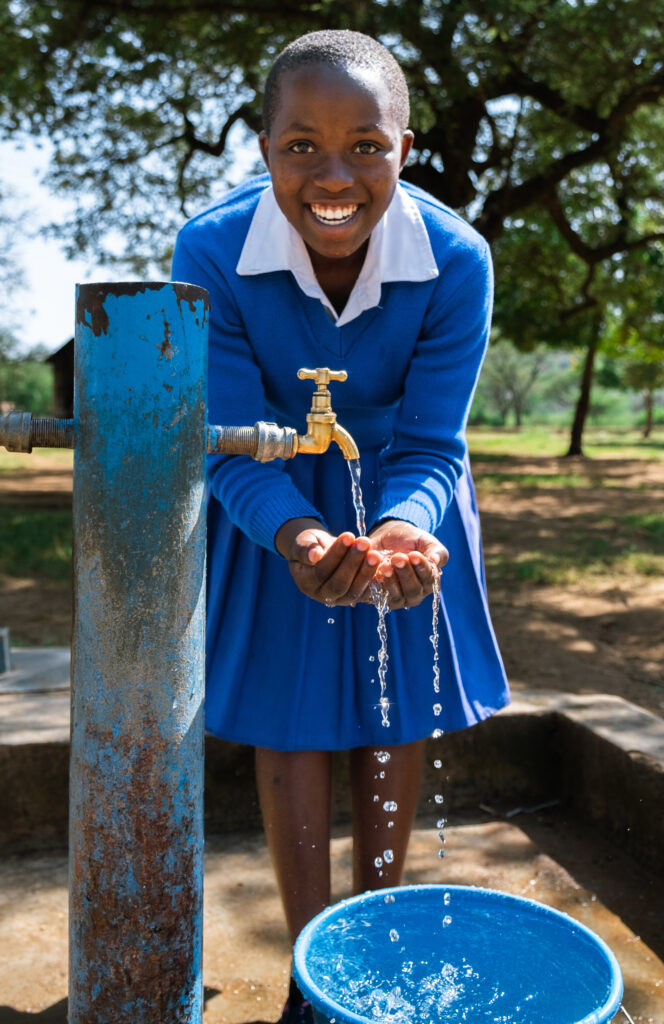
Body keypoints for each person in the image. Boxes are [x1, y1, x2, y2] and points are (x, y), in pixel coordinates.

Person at [172, 29, 509, 1023]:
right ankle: (313, 978)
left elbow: (432, 441)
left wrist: (405, 528)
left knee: (391, 705)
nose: (333, 174)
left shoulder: (454, 258)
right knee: (290, 716)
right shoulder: (212, 250)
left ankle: (376, 940)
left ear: (406, 146)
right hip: (270, 499)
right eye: (300, 145)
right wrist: (297, 537)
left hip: (407, 496)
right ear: (265, 146)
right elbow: (224, 438)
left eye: (366, 144)